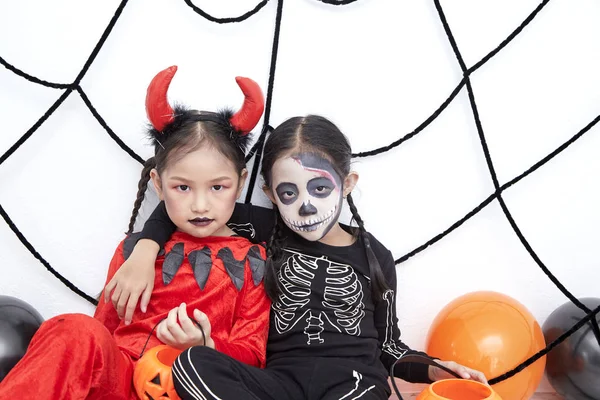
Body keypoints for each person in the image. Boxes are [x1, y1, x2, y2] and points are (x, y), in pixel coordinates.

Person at [113, 115, 487, 399]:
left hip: (352, 384)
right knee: (191, 364)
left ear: (348, 183)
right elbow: (193, 209)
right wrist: (145, 250)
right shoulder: (266, 228)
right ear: (270, 193)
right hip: (280, 383)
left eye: (321, 188)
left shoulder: (374, 255)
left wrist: (435, 371)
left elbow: (389, 346)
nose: (306, 207)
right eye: (288, 192)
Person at [0, 66, 271, 399]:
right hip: (122, 380)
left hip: (192, 386)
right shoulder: (133, 252)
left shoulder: (253, 263)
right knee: (76, 328)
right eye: (182, 187)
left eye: (218, 187)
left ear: (240, 183)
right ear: (158, 184)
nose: (201, 205)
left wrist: (205, 345)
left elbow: (254, 358)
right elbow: (102, 335)